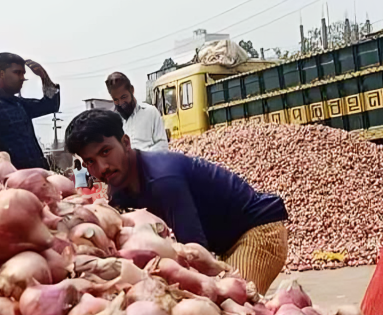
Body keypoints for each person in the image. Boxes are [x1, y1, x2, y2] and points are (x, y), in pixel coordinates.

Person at [65, 108, 288, 294]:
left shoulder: (162, 178)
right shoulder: (117, 189)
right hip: (224, 243)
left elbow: (194, 250)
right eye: (91, 161)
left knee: (235, 299)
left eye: (106, 151)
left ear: (125, 143)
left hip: (257, 232)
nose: (102, 167)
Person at [105, 72, 169, 152]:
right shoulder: (112, 122)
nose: (121, 103)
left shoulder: (150, 112)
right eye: (116, 100)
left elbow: (163, 146)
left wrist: (141, 156)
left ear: (132, 90)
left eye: (124, 97)